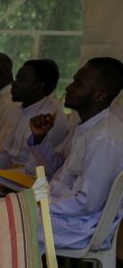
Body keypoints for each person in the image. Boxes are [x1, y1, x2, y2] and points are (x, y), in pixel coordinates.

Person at [33, 58, 123, 250]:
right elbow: (59, 176)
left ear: (99, 95)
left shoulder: (104, 137)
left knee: (1, 225)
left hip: (82, 226)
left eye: (78, 84)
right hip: (65, 213)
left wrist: (41, 204)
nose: (69, 88)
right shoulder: (87, 127)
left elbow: (87, 203)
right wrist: (34, 200)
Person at [0, 59, 69, 195]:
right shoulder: (19, 110)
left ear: (38, 87)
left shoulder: (51, 119)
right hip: (12, 172)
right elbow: (4, 157)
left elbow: (36, 171)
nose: (13, 84)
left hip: (35, 181)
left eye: (20, 80)